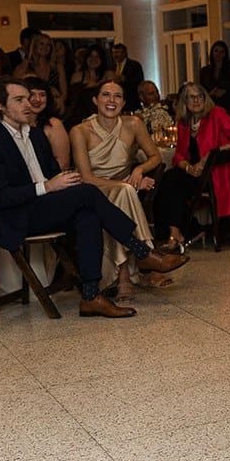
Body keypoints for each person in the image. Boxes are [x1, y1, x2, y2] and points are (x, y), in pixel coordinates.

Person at [0, 78, 188, 319]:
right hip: (19, 216)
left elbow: (52, 173)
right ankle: (142, 252)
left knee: (88, 214)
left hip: (46, 206)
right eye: (20, 99)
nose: (30, 103)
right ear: (0, 106)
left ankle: (90, 296)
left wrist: (63, 181)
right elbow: (0, 196)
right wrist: (47, 186)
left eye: (29, 97)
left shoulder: (34, 135)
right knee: (87, 192)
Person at [69, 77, 172, 297]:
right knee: (124, 192)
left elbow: (155, 157)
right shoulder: (80, 131)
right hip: (93, 189)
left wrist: (138, 170)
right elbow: (86, 178)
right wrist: (125, 184)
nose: (111, 100)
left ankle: (126, 275)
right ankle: (146, 259)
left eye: (117, 96)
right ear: (96, 100)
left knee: (123, 194)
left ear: (124, 103)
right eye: (106, 95)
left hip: (124, 186)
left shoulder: (133, 124)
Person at [149, 82, 230, 252]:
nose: (196, 100)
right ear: (184, 101)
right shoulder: (184, 123)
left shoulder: (217, 114)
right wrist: (188, 168)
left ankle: (182, 232)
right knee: (167, 180)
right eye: (191, 97)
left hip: (216, 174)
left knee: (172, 182)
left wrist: (212, 154)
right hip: (194, 173)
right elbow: (179, 156)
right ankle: (178, 231)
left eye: (200, 96)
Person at [22, 76, 70, 170]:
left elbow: (63, 164)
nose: (38, 99)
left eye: (42, 95)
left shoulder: (53, 124)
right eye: (32, 94)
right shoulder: (14, 123)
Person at [13, 32, 66, 103]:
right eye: (41, 43)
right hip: (30, 105)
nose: (45, 47)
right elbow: (14, 87)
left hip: (52, 106)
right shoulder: (26, 65)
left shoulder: (57, 66)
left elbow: (64, 94)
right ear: (35, 45)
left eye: (48, 45)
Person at [199, 40, 230, 109]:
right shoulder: (204, 71)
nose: (218, 54)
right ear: (212, 52)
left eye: (221, 52)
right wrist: (210, 93)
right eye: (216, 51)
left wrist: (225, 91)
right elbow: (201, 89)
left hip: (228, 106)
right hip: (210, 105)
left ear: (225, 54)